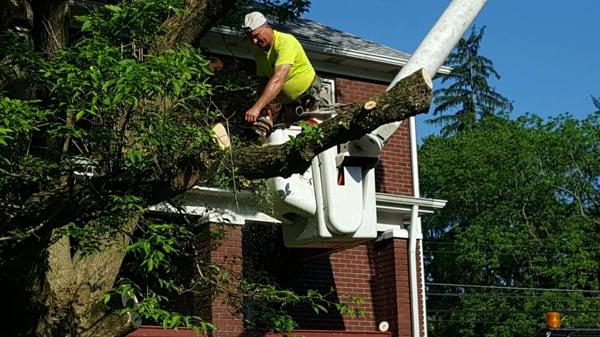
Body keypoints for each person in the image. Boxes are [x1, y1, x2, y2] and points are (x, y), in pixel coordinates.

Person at [242, 11, 324, 137]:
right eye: (251, 38)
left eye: (257, 35)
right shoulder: (259, 53)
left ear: (266, 27)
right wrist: (264, 109)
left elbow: (278, 79)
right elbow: (263, 82)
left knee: (318, 138)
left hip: (312, 99)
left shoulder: (285, 42)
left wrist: (256, 108)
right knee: (290, 141)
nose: (254, 41)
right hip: (290, 107)